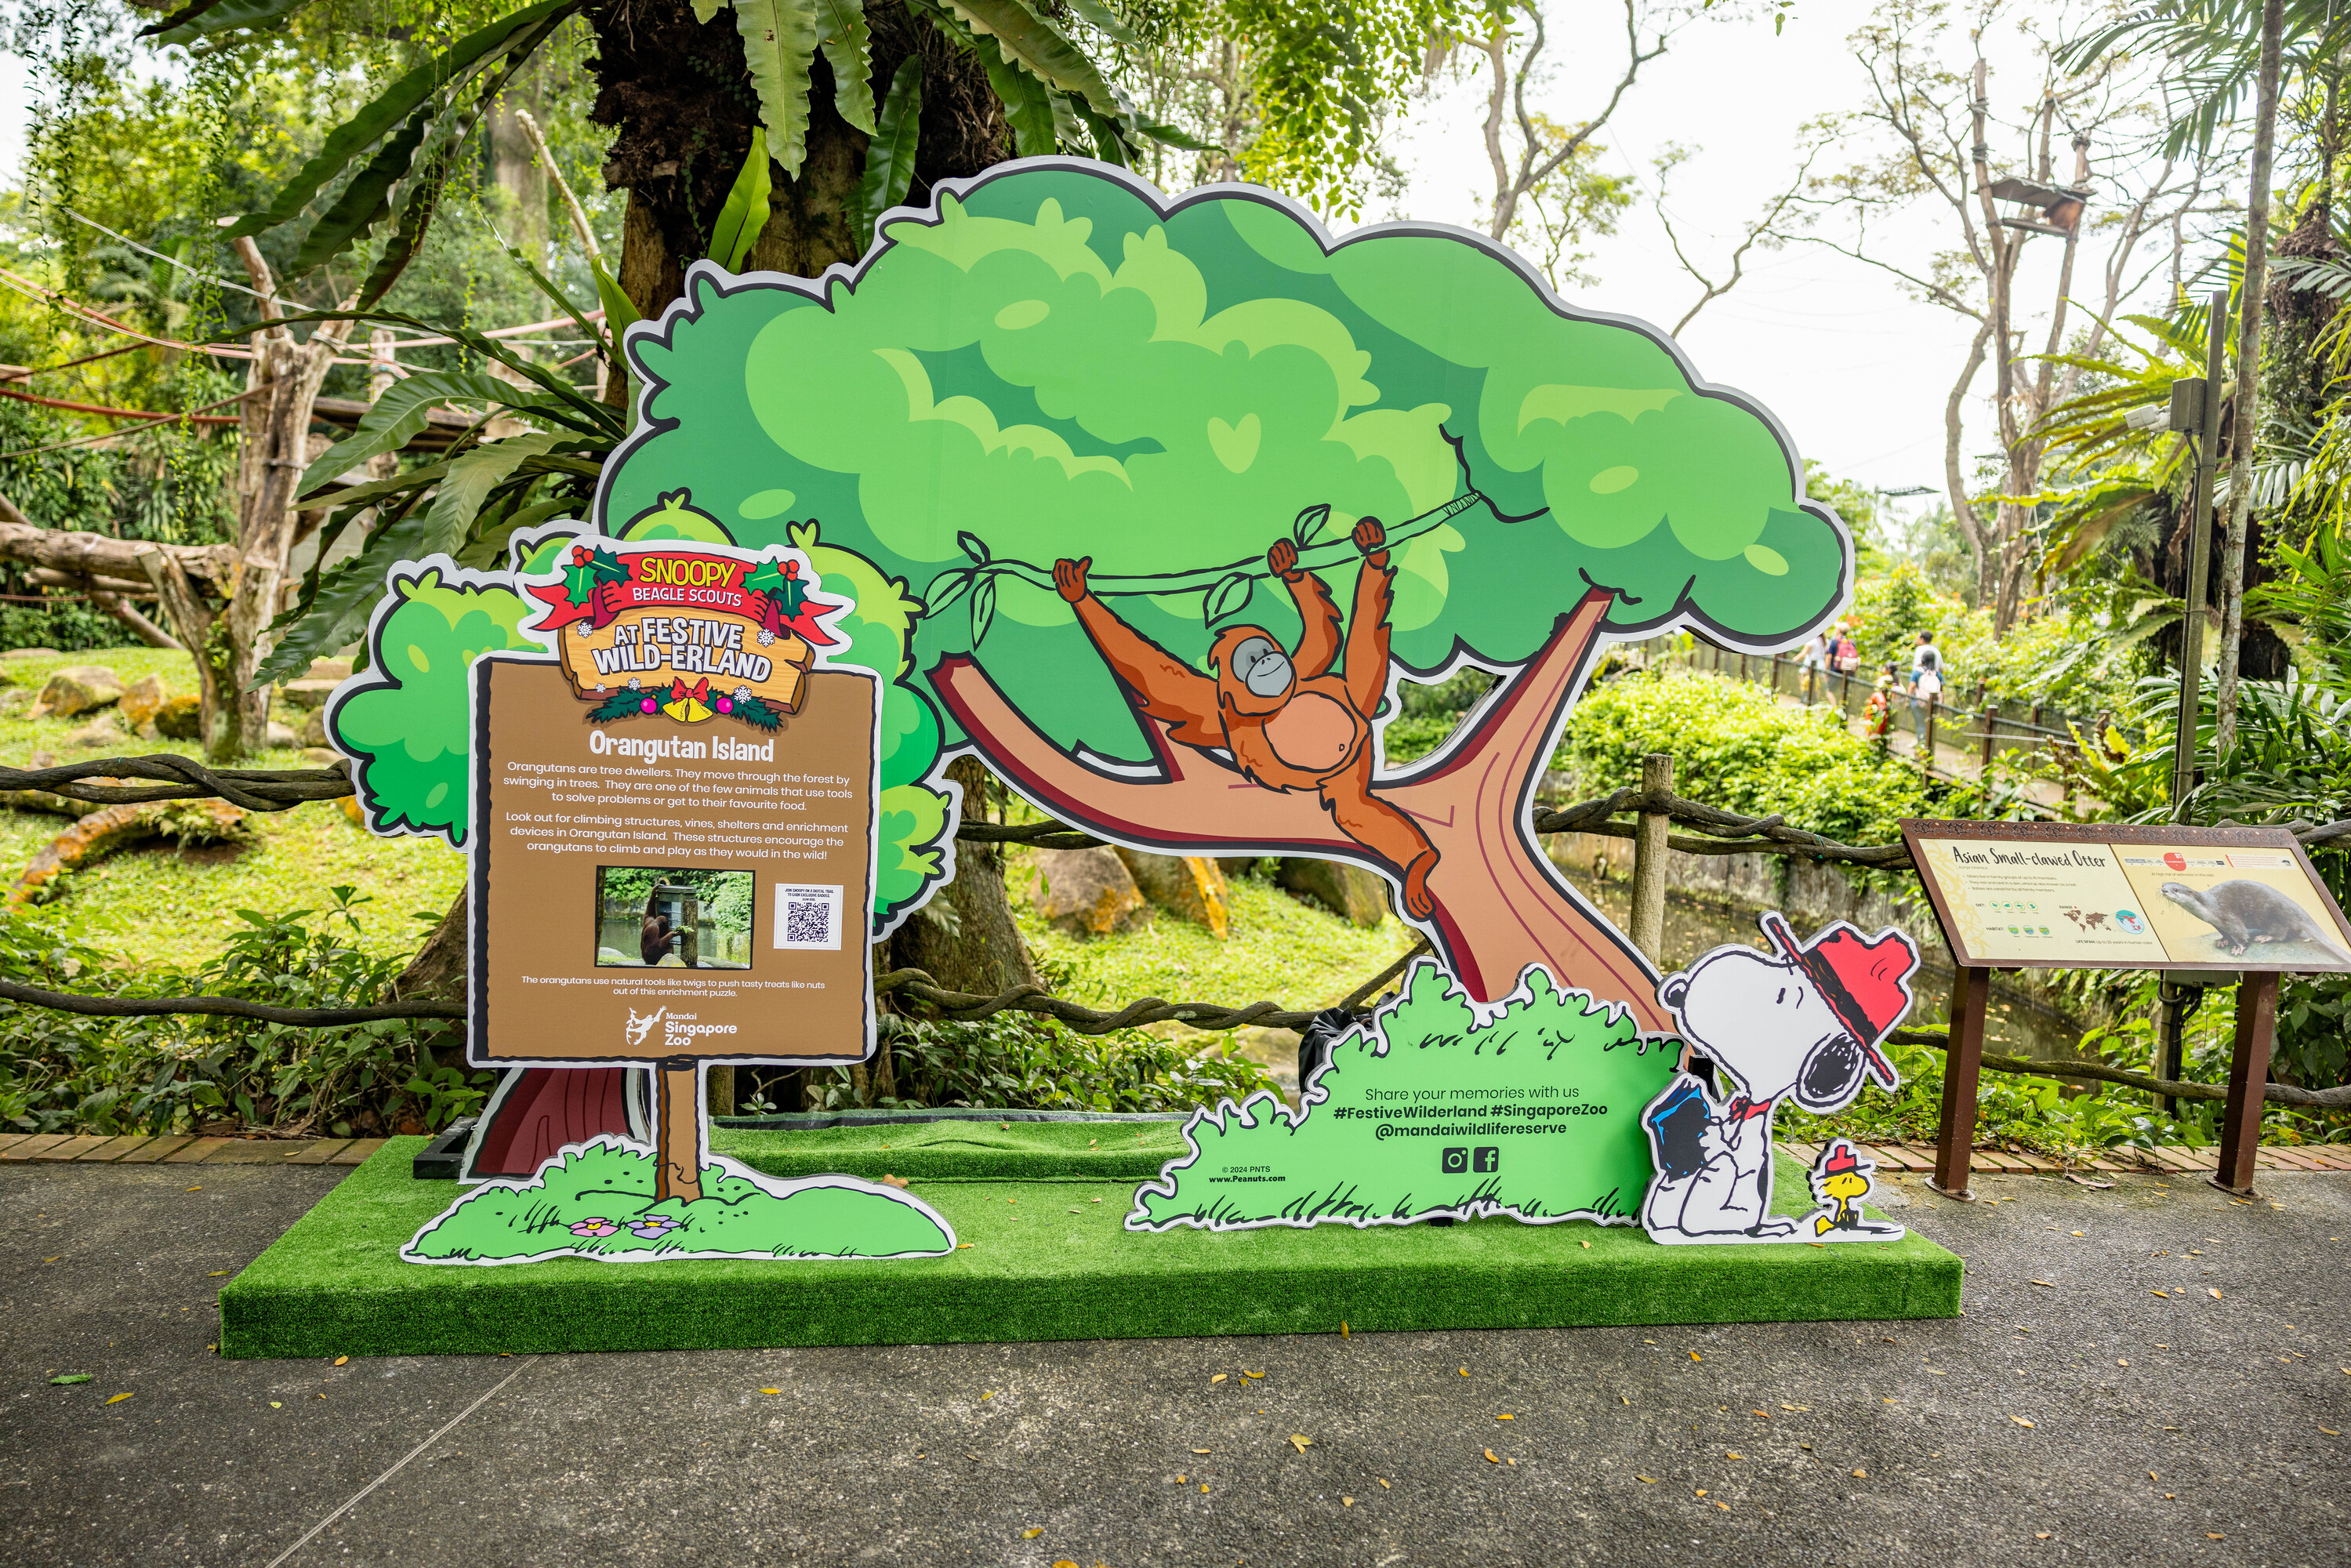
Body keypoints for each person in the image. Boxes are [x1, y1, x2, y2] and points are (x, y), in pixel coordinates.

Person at [1909, 630, 1944, 751]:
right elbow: (1941, 670)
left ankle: (1921, 745)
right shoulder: (1937, 652)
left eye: (1918, 638)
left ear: (1922, 639)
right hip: (1933, 700)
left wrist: (1909, 697)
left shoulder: (1919, 651)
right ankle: (1929, 746)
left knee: (1920, 723)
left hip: (1919, 698)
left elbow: (1914, 677)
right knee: (1930, 722)